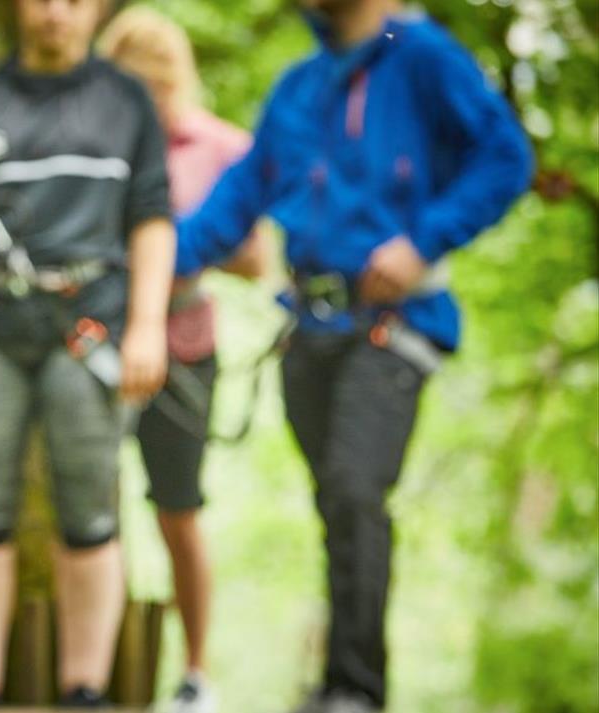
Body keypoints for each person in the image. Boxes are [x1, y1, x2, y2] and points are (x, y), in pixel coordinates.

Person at [172, 1, 533, 711]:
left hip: (394, 324)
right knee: (337, 505)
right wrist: (142, 267)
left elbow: (507, 156)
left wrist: (423, 240)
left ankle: (355, 690)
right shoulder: (299, 87)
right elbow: (233, 204)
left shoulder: (423, 56)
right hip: (310, 328)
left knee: (353, 489)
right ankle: (339, 681)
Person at [0, 0, 175, 705]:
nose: (56, 11)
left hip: (89, 330)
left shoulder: (126, 102)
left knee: (89, 513)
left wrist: (148, 326)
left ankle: (85, 688)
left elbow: (151, 219)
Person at [99, 7, 268, 713]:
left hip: (185, 350)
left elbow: (256, 260)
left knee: (178, 510)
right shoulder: (94, 145)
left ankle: (195, 674)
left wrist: (175, 255)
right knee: (92, 512)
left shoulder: (225, 148)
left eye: (159, 89)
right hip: (97, 347)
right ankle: (98, 668)